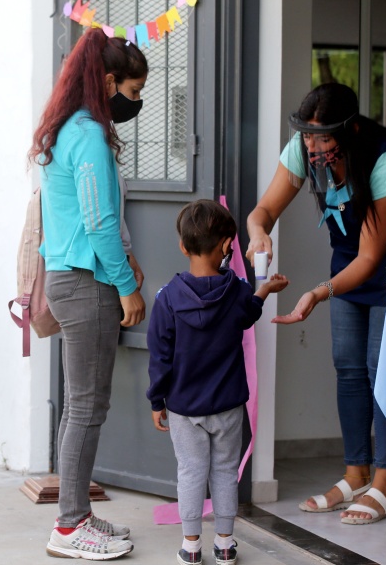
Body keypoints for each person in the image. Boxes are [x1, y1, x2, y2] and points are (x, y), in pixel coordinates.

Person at [245, 83, 386, 525]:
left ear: (350, 130)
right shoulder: (303, 148)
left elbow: (371, 258)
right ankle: (356, 474)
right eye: (307, 136)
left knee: (381, 371)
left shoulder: (383, 159)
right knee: (348, 366)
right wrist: (258, 232)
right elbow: (262, 211)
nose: (312, 148)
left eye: (323, 138)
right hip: (349, 261)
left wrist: (317, 292)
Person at [30, 28, 148, 561]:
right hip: (86, 283)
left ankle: (77, 513)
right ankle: (69, 526)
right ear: (108, 81)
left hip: (71, 278)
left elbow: (89, 216)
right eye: (133, 91)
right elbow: (98, 223)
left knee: (80, 405)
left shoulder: (69, 128)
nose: (136, 102)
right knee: (85, 407)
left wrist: (125, 261)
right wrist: (127, 287)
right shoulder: (90, 136)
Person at [147, 200, 288, 565]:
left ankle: (191, 546)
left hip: (184, 408)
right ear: (228, 245)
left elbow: (159, 356)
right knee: (225, 472)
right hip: (228, 405)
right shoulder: (237, 290)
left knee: (191, 471)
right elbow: (247, 314)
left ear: (183, 246)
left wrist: (157, 400)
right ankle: (225, 544)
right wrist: (263, 290)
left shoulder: (167, 299)